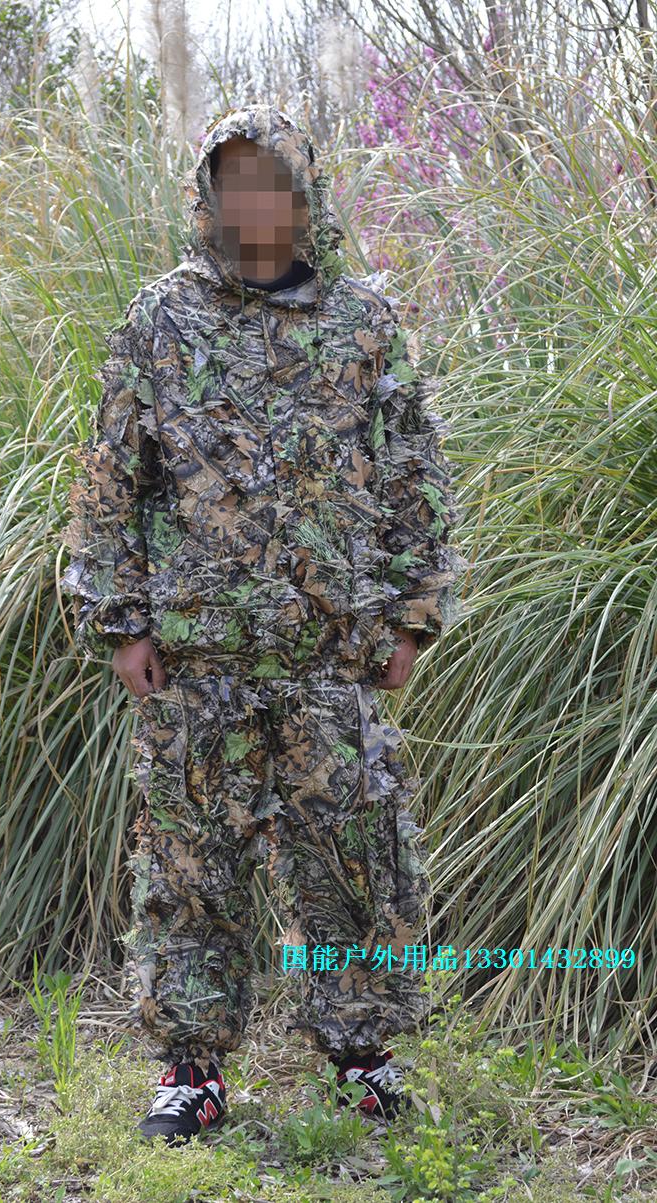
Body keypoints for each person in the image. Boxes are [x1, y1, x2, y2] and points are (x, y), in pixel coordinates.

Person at [58, 102, 466, 1146]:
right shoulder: (161, 319)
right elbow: (111, 479)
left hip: (331, 655)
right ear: (208, 198)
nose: (251, 202)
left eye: (269, 181)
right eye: (230, 182)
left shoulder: (363, 322)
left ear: (301, 194)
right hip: (196, 657)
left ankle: (360, 1057)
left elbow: (414, 475)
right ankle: (191, 1070)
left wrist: (412, 616)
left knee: (352, 859)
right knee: (190, 865)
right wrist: (122, 623)